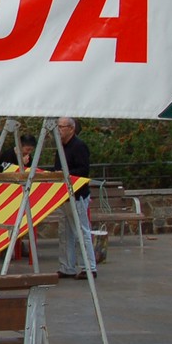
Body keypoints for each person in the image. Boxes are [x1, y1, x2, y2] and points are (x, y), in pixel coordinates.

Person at [55, 117, 98, 279]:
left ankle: (89, 267)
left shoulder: (79, 146)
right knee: (65, 232)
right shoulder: (61, 146)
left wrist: (65, 174)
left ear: (71, 128)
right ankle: (67, 266)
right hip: (64, 195)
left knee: (81, 230)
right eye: (58, 126)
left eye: (61, 127)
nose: (59, 130)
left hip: (77, 194)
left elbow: (83, 170)